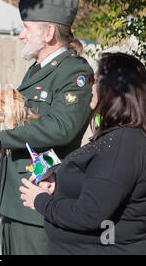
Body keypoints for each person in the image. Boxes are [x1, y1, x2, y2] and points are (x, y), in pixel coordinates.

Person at [0, 0, 93, 255]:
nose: (21, 34)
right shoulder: (38, 68)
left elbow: (61, 127)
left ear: (48, 33)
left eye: (27, 28)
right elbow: (25, 115)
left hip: (39, 194)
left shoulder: (75, 71)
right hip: (15, 194)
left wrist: (4, 134)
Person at [21, 52, 146, 254]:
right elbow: (99, 188)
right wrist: (58, 185)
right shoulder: (119, 138)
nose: (90, 87)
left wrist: (41, 200)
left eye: (94, 80)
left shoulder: (122, 144)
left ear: (112, 89)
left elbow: (90, 213)